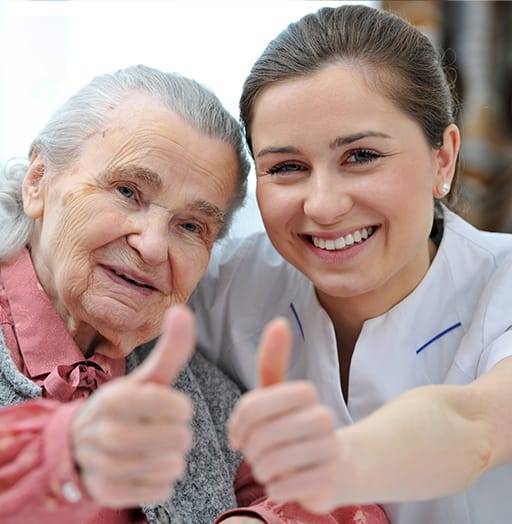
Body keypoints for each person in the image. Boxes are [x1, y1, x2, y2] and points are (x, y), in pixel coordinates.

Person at [0, 64, 388, 524]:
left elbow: (347, 501)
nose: (153, 245)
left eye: (190, 226)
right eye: (127, 191)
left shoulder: (191, 386)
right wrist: (63, 453)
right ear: (38, 181)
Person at [189, 4, 512, 524]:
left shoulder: (504, 284)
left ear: (443, 159)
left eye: (360, 156)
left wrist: (314, 481)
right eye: (287, 167)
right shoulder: (223, 284)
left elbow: (473, 427)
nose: (322, 205)